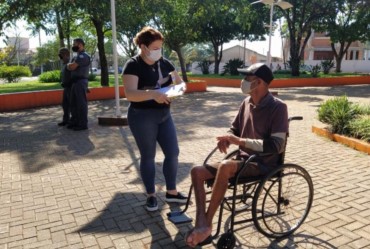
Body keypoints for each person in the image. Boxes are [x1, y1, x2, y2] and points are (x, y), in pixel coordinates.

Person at [185, 63, 289, 247]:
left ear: (258, 82)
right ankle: (202, 222)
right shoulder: (246, 103)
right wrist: (227, 138)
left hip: (264, 163)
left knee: (225, 166)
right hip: (243, 161)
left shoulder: (278, 108)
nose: (243, 82)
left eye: (247, 78)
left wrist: (239, 141)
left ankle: (206, 225)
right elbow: (234, 128)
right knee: (197, 171)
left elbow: (277, 145)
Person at [122, 26, 187, 212]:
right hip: (142, 116)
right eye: (155, 47)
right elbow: (130, 94)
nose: (159, 51)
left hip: (164, 115)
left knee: (173, 152)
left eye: (160, 47)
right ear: (143, 47)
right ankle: (151, 195)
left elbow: (179, 82)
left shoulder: (166, 64)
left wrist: (180, 89)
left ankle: (171, 192)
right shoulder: (133, 65)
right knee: (148, 156)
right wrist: (154, 94)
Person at [67, 38, 90, 131]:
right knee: (73, 103)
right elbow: (70, 66)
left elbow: (72, 67)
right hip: (75, 82)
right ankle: (75, 121)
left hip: (80, 82)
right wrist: (70, 65)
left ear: (80, 45)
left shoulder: (83, 56)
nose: (73, 46)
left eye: (75, 44)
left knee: (81, 104)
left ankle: (83, 124)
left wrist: (69, 65)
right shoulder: (77, 56)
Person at [57, 47, 72, 126]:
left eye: (61, 54)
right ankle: (66, 120)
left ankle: (72, 121)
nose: (60, 56)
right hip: (66, 87)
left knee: (71, 105)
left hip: (70, 87)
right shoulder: (64, 64)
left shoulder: (70, 64)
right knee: (65, 104)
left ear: (66, 54)